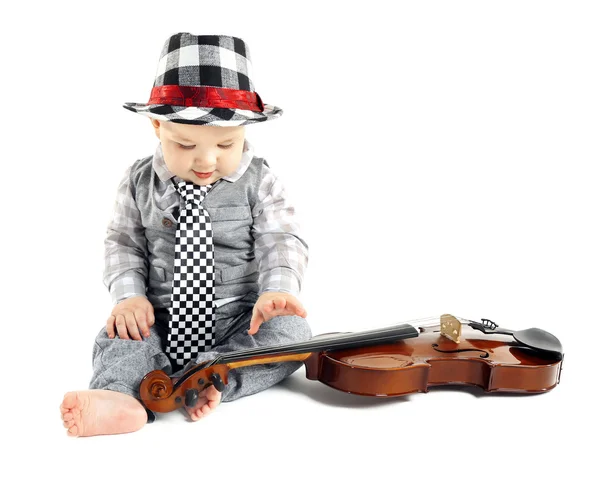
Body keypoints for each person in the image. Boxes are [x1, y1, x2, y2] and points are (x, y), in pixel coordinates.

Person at [59, 32, 311, 437]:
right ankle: (120, 397)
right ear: (157, 126)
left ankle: (211, 380)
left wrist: (276, 290)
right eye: (186, 143)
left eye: (226, 143)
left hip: (239, 321)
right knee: (118, 336)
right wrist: (130, 298)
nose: (206, 160)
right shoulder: (139, 181)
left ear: (246, 129)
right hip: (157, 316)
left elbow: (280, 239)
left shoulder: (261, 181)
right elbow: (123, 242)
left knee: (292, 336)